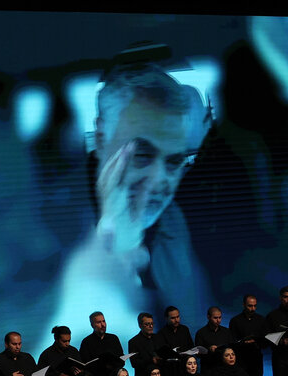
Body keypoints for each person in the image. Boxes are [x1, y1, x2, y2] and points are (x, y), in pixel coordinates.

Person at [55, 61, 212, 324]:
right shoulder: (52, 229)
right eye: (141, 155)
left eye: (174, 162)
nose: (159, 180)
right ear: (101, 139)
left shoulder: (173, 220)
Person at [229, 293, 269, 376]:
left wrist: (256, 342)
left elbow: (266, 341)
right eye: (250, 306)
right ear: (243, 305)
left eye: (255, 306)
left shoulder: (261, 320)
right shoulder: (235, 321)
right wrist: (244, 343)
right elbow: (232, 342)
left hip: (256, 360)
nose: (253, 309)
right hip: (242, 361)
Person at [78, 311, 125, 376]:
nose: (103, 325)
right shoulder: (87, 342)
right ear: (92, 325)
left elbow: (121, 359)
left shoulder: (113, 338)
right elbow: (85, 364)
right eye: (99, 322)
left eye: (104, 321)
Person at [194, 305, 234, 371]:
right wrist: (209, 349)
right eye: (215, 318)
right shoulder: (201, 333)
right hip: (208, 368)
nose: (218, 320)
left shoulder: (226, 332)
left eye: (220, 317)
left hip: (224, 368)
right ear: (208, 317)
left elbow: (232, 347)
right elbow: (197, 354)